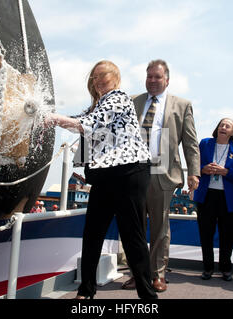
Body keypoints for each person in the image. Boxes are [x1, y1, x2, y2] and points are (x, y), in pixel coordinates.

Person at [44, 60, 157, 299]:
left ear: (115, 78)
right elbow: (81, 120)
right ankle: (85, 290)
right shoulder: (98, 106)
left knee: (132, 233)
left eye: (102, 75)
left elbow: (89, 124)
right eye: (94, 77)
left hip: (130, 172)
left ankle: (148, 296)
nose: (98, 80)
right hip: (105, 175)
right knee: (92, 232)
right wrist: (49, 117)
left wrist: (53, 118)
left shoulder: (119, 98)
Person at [121, 59, 200, 292]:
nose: (152, 81)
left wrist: (194, 172)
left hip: (162, 172)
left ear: (167, 79)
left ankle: (157, 275)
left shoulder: (182, 105)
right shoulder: (132, 101)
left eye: (157, 77)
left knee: (159, 228)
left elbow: (191, 143)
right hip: (133, 172)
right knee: (133, 227)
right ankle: (137, 273)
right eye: (149, 77)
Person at [193, 118, 233, 281]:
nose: (223, 127)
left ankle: (226, 268)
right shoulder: (205, 144)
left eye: (227, 126)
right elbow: (194, 164)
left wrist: (226, 172)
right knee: (206, 233)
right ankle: (207, 268)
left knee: (227, 235)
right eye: (221, 125)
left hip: (227, 198)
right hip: (206, 196)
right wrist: (203, 169)